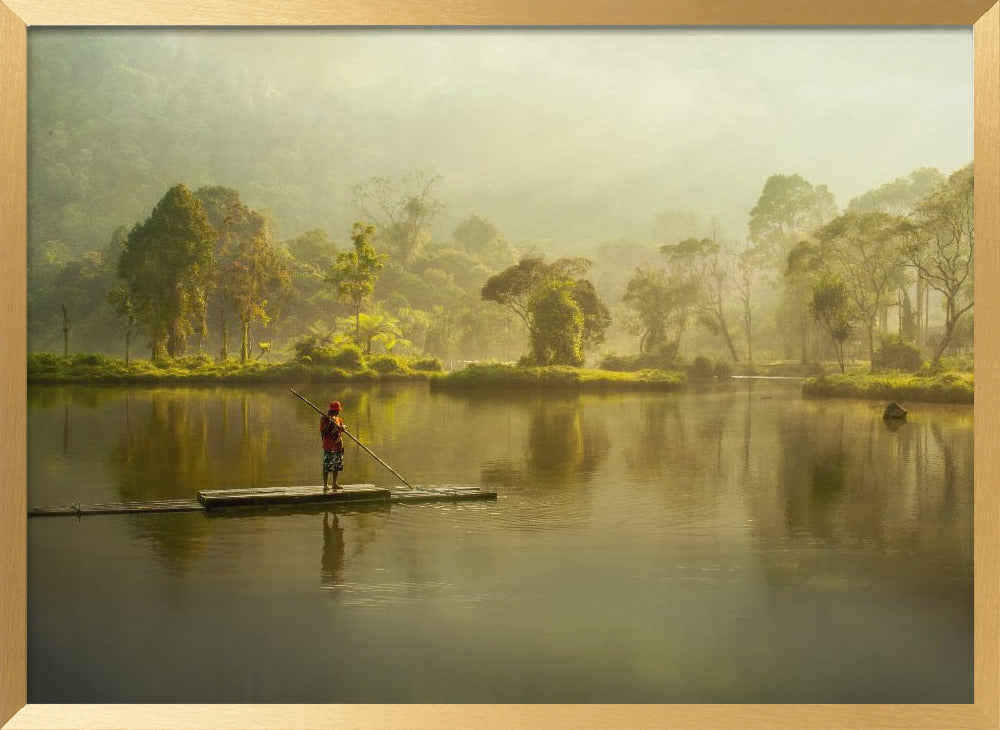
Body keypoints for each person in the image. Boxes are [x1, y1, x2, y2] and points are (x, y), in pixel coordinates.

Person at [320, 401, 346, 491]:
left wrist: (342, 428)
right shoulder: (324, 419)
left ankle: (334, 483)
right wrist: (330, 423)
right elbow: (323, 432)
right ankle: (325, 485)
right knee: (327, 465)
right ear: (333, 410)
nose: (338, 412)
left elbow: (341, 428)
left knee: (337, 465)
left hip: (338, 445)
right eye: (337, 410)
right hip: (329, 446)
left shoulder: (338, 419)